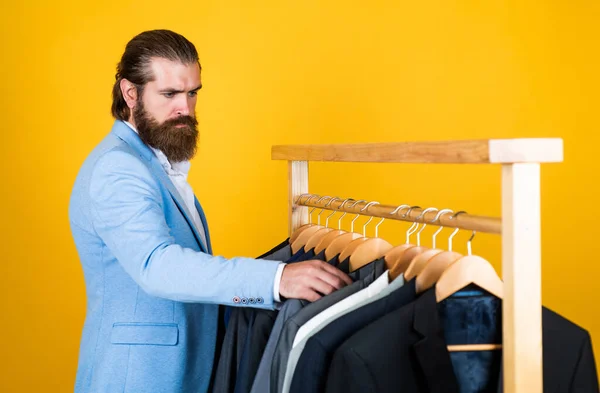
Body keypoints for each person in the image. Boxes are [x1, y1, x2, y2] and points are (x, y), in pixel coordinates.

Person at [68, 29, 351, 393]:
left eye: (192, 93)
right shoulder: (119, 169)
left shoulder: (154, 164)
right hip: (138, 379)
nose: (185, 107)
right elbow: (158, 266)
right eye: (169, 94)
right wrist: (276, 279)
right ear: (130, 93)